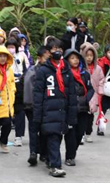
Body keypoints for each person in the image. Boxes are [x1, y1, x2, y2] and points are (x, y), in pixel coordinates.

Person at [34, 38, 77, 178]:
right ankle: (55, 166)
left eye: (59, 49)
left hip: (62, 110)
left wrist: (72, 114)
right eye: (54, 49)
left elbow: (72, 93)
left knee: (57, 137)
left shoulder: (66, 70)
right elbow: (38, 94)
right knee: (53, 136)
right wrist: (37, 115)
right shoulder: (43, 71)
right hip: (49, 110)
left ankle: (49, 158)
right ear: (49, 52)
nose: (57, 51)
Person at [63, 48, 94, 167]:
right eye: (72, 58)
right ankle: (69, 156)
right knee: (70, 134)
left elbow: (90, 89)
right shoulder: (64, 74)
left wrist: (86, 99)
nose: (75, 60)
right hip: (70, 108)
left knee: (80, 133)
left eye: (77, 58)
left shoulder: (84, 74)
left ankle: (72, 153)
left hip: (83, 108)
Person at [24, 46, 50, 167]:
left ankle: (43, 153)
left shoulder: (52, 71)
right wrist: (29, 105)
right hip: (33, 106)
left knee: (44, 130)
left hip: (47, 106)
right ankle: (33, 153)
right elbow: (28, 89)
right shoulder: (33, 71)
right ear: (39, 58)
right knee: (33, 130)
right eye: (46, 58)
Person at [10, 38, 30, 147]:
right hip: (7, 86)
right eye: (9, 47)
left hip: (19, 85)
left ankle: (18, 136)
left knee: (20, 112)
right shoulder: (2, 57)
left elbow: (26, 70)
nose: (11, 49)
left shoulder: (21, 56)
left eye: (13, 47)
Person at [80, 43, 100, 143]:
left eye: (91, 56)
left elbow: (102, 80)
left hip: (94, 95)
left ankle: (88, 133)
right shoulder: (80, 69)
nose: (89, 58)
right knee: (82, 116)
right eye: (87, 55)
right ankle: (81, 134)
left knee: (90, 116)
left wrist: (100, 91)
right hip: (83, 96)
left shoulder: (97, 68)